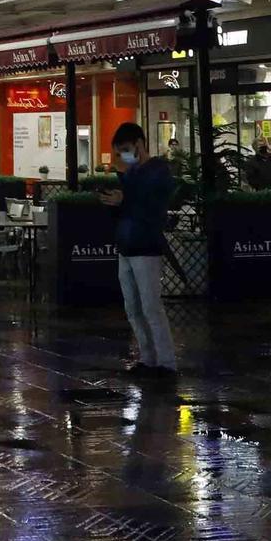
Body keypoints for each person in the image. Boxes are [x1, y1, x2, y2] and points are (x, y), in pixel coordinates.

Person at [98, 122, 177, 380]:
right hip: (128, 247)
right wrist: (115, 202)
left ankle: (165, 363)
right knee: (133, 307)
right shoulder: (132, 173)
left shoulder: (157, 171)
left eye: (126, 150)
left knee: (150, 306)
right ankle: (148, 358)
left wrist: (124, 199)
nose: (124, 156)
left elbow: (152, 206)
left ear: (140, 144)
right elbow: (130, 206)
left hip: (145, 247)